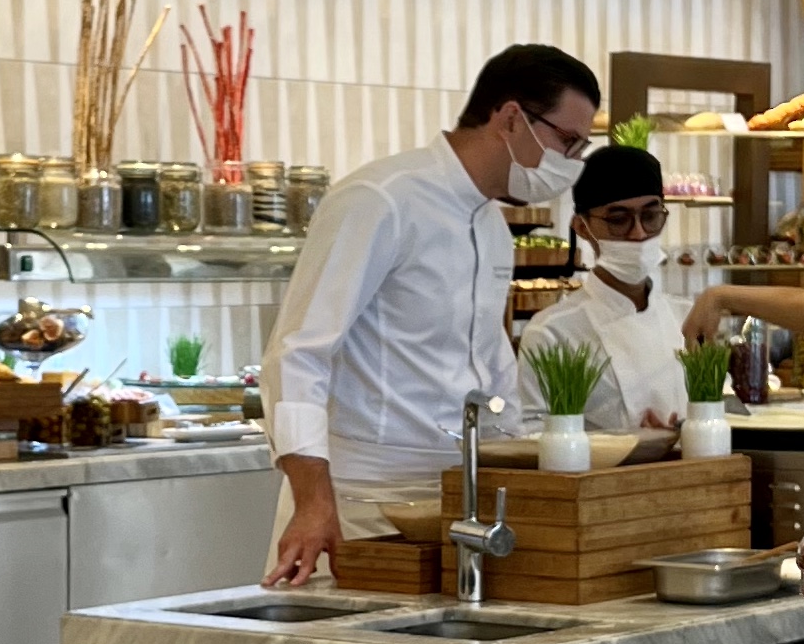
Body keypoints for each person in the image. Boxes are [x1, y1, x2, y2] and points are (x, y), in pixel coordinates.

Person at [260, 43, 600, 586]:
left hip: (456, 498)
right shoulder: (380, 199)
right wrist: (313, 501)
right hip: (359, 502)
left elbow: (491, 365)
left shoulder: (491, 226)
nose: (572, 163)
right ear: (511, 118)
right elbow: (298, 354)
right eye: (568, 142)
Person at [513, 145, 685, 433]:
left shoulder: (684, 317)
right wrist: (624, 444)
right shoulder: (552, 333)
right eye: (618, 220)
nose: (639, 233)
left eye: (650, 216)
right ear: (582, 227)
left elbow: (724, 406)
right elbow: (534, 436)